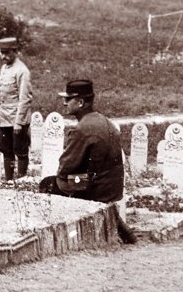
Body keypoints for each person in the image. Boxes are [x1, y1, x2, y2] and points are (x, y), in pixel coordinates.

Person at [39, 79, 137, 244]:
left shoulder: (82, 129)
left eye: (68, 99)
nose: (64, 103)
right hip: (112, 188)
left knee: (48, 184)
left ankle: (62, 238)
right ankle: (122, 230)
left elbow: (64, 168)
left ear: (81, 102)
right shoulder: (103, 120)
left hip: (95, 190)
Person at [0, 37, 33, 180]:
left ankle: (22, 179)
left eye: (6, 53)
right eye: (1, 52)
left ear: (15, 51)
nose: (3, 56)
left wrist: (19, 122)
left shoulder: (22, 71)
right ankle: (9, 180)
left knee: (20, 150)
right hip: (4, 118)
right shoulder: (4, 68)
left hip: (16, 119)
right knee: (6, 149)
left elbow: (25, 98)